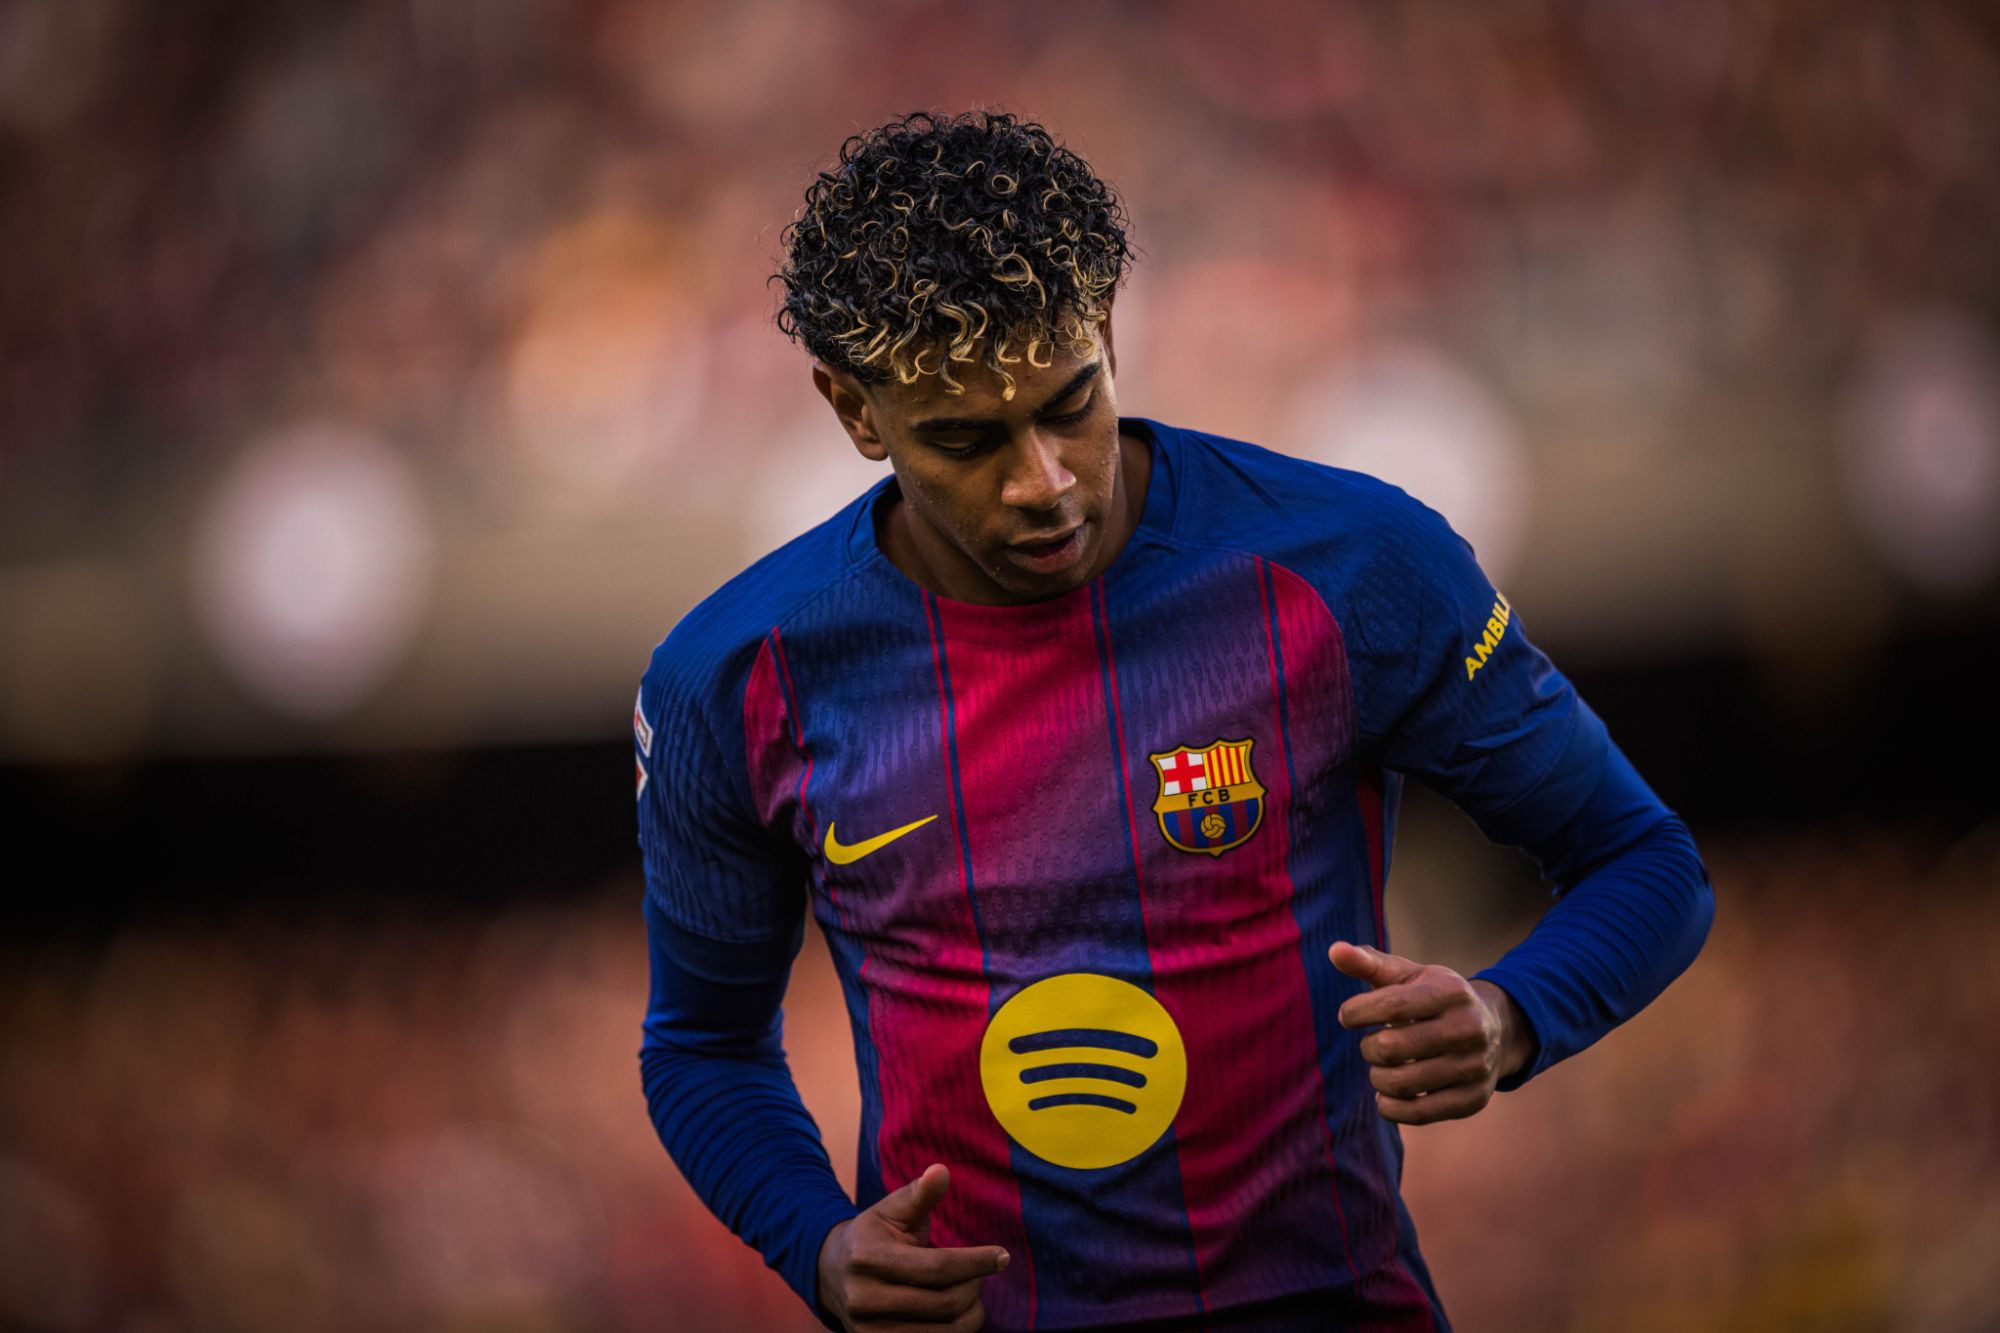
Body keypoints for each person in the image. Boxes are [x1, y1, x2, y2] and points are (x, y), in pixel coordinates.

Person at [634, 110, 1714, 1333]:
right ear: (854, 412)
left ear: (1107, 332)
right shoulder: (735, 677)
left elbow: (1645, 860)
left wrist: (1511, 1013)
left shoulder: (1351, 564)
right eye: (964, 440)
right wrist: (814, 1241)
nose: (1042, 480)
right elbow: (702, 1046)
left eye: (1069, 402)